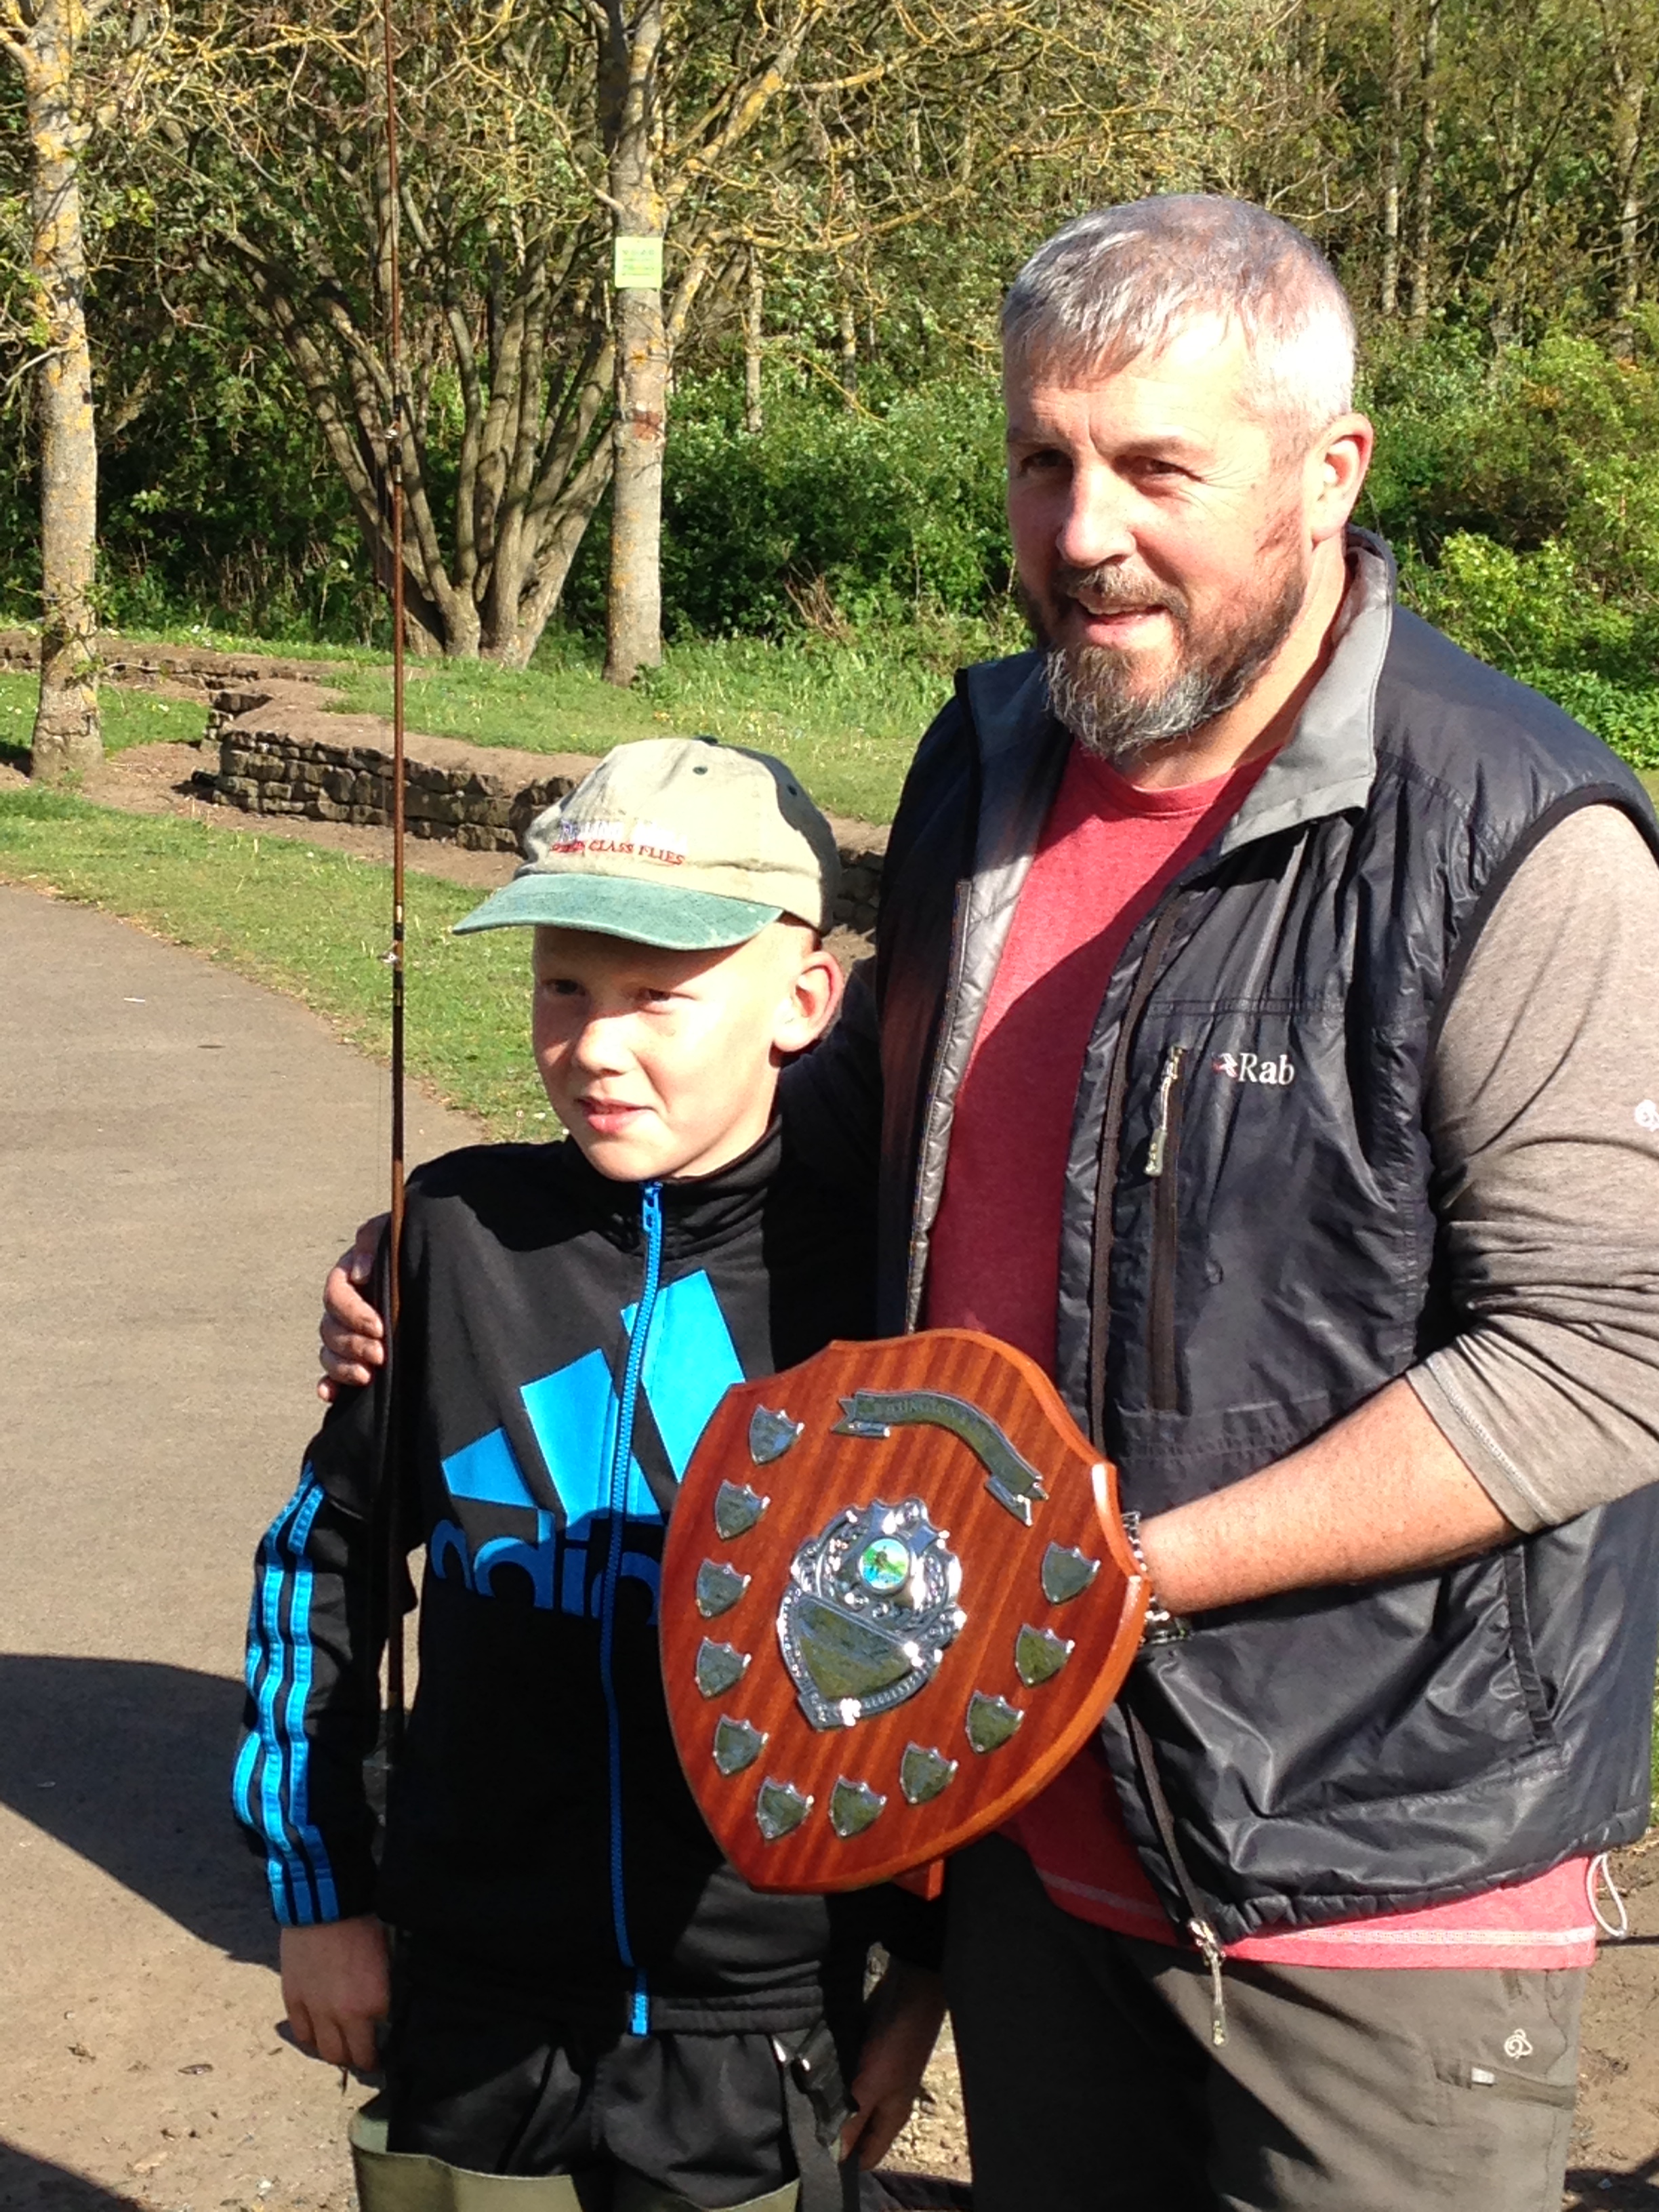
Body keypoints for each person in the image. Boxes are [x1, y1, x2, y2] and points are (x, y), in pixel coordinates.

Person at [321, 199, 1659, 2212]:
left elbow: (1606, 1354)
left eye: (1156, 468)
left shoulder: (1513, 834)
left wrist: (1112, 1572)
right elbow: (875, 1107)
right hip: (1019, 1813)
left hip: (1373, 1866)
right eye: (1044, 459)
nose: (1083, 530)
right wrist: (498, 1233)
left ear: (1330, 472)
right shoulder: (999, 747)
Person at [236, 736, 945, 2212]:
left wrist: (927, 1975)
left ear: (806, 1002)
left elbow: (962, 1663)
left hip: (760, 2028)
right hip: (469, 2005)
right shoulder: (454, 1235)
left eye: (661, 995)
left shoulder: (882, 1289)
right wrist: (320, 1897)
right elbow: (320, 1567)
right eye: (564, 985)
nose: (597, 1046)